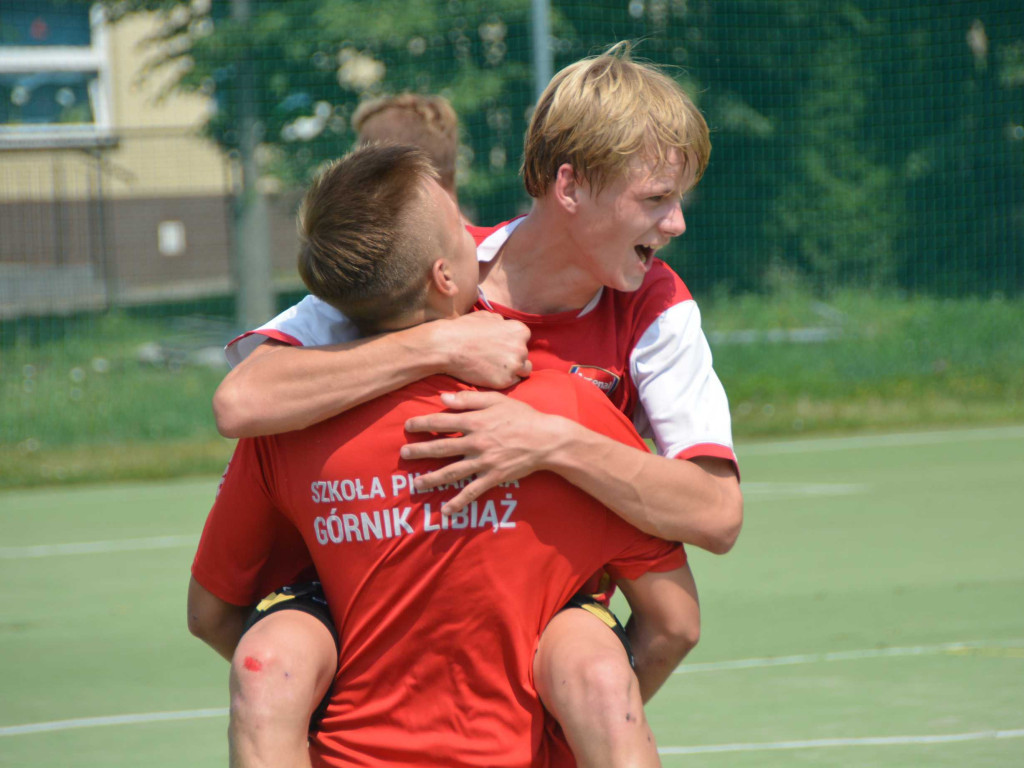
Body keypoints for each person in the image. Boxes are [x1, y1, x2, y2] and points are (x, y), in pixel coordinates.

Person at [198, 41, 743, 767]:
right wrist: (438, 348)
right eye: (653, 200)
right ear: (570, 186)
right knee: (270, 666)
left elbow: (715, 512)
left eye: (677, 199)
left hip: (537, 615)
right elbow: (243, 400)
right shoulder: (433, 270)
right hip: (369, 608)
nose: (675, 224)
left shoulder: (657, 310)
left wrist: (551, 440)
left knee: (595, 671)